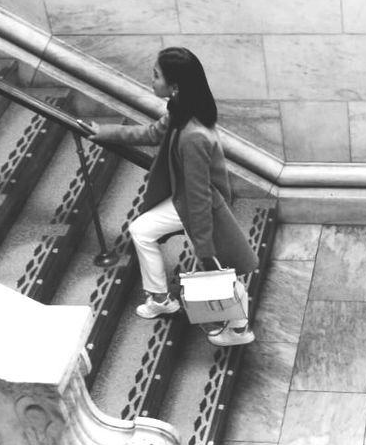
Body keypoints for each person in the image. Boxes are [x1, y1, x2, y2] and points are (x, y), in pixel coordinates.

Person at [87, 47, 258, 346]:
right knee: (142, 230)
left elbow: (199, 195)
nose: (151, 80)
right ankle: (161, 299)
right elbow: (151, 134)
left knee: (216, 267)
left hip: (196, 204)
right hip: (184, 198)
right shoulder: (180, 110)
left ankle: (239, 329)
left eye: (156, 75)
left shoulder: (193, 136)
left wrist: (203, 243)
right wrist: (105, 132)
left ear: (175, 84)